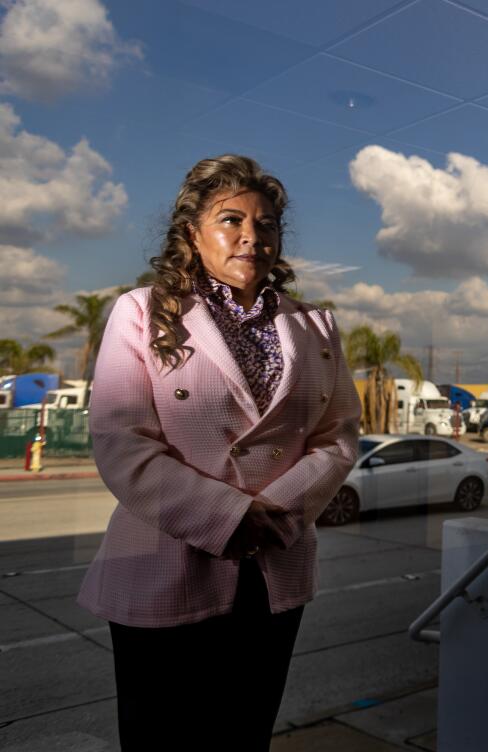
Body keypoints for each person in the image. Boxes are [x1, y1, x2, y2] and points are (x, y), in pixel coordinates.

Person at [77, 155, 361, 751]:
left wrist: (275, 512)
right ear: (191, 233)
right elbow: (122, 440)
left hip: (272, 569)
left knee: (244, 734)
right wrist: (230, 515)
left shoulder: (316, 326)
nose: (251, 236)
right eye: (230, 220)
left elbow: (337, 436)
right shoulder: (144, 312)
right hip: (164, 563)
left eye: (267, 225)